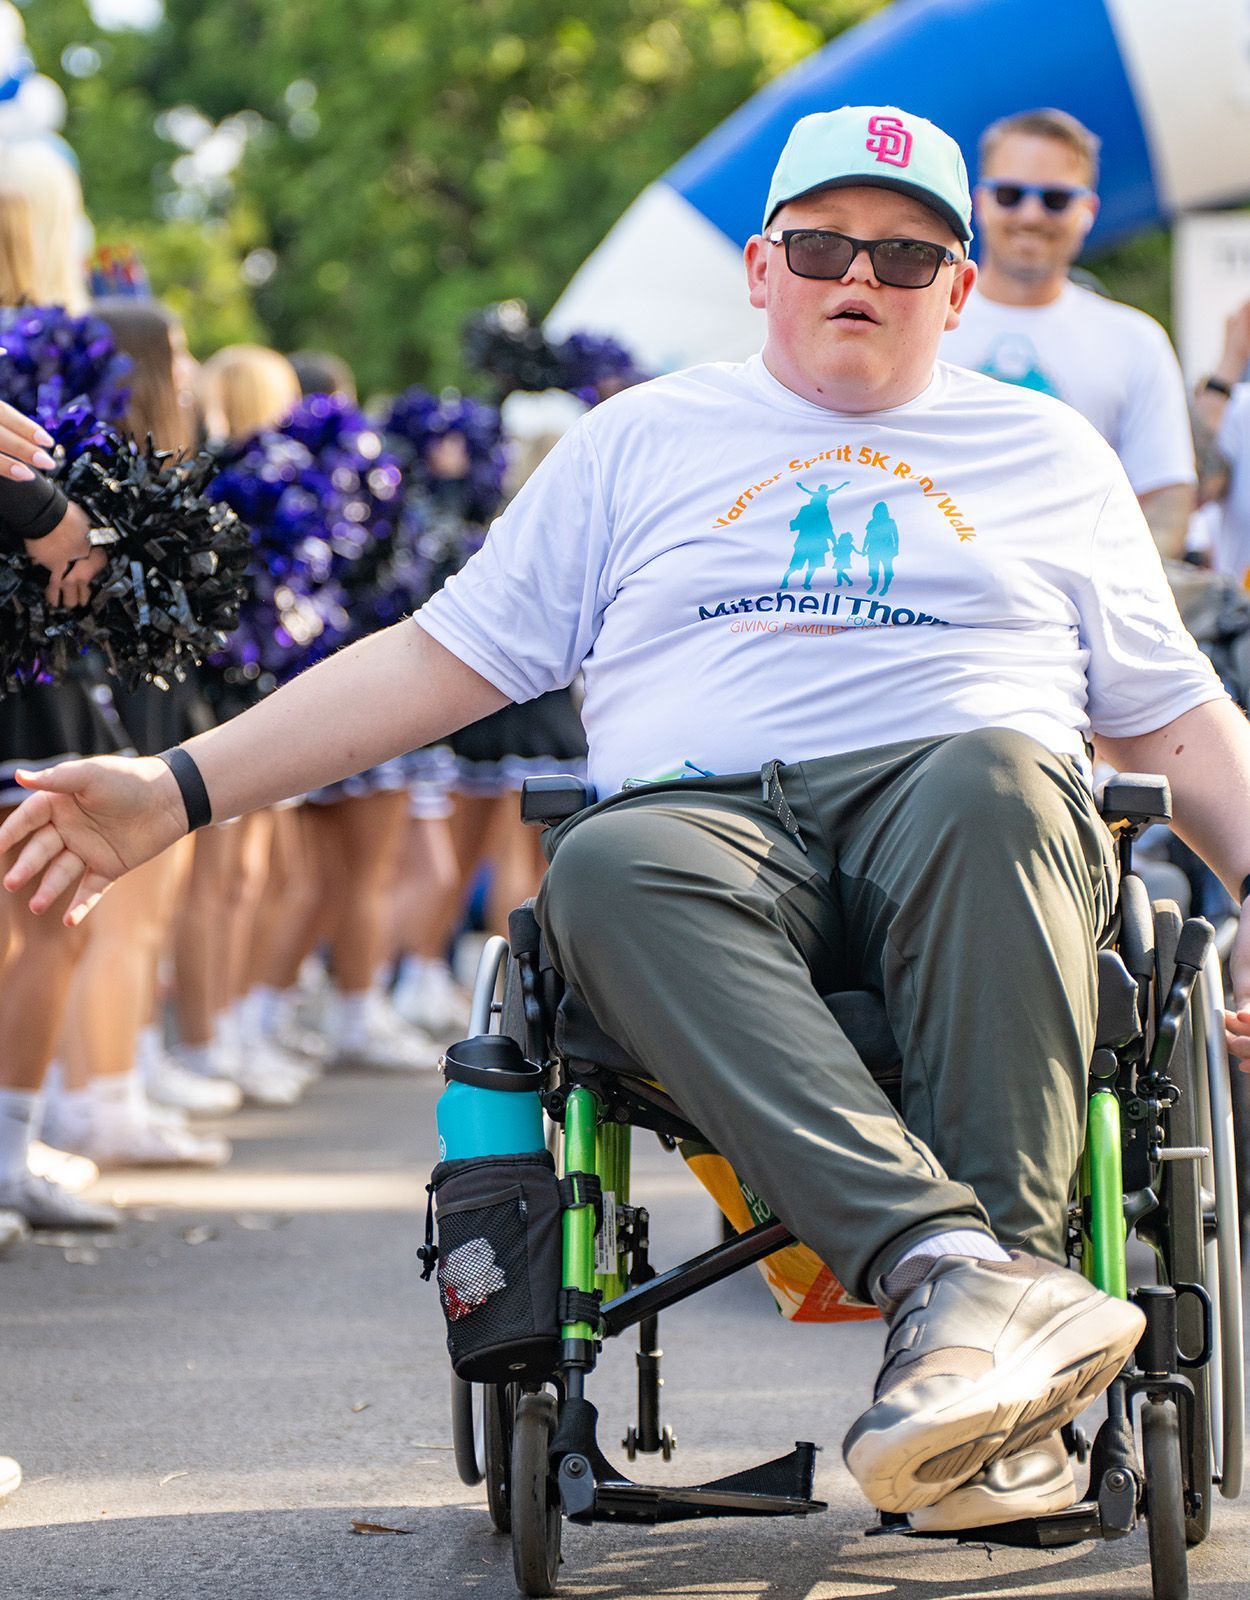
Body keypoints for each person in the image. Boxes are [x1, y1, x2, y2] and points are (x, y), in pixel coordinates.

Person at [4, 105, 1249, 1535]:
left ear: (958, 291)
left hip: (967, 809)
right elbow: (433, 657)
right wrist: (178, 790)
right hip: (709, 830)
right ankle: (963, 1291)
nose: (861, 275)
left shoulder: (1050, 455)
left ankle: (983, 1344)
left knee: (999, 783)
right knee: (602, 856)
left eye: (906, 259)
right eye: (824, 244)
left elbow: (1173, 715)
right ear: (759, 267)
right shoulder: (637, 442)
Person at [941, 108, 1196, 560]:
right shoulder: (921, 321)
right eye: (1010, 194)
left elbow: (1164, 499)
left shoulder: (1136, 340)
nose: (1031, 214)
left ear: (1088, 210)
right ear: (978, 202)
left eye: (1055, 199)